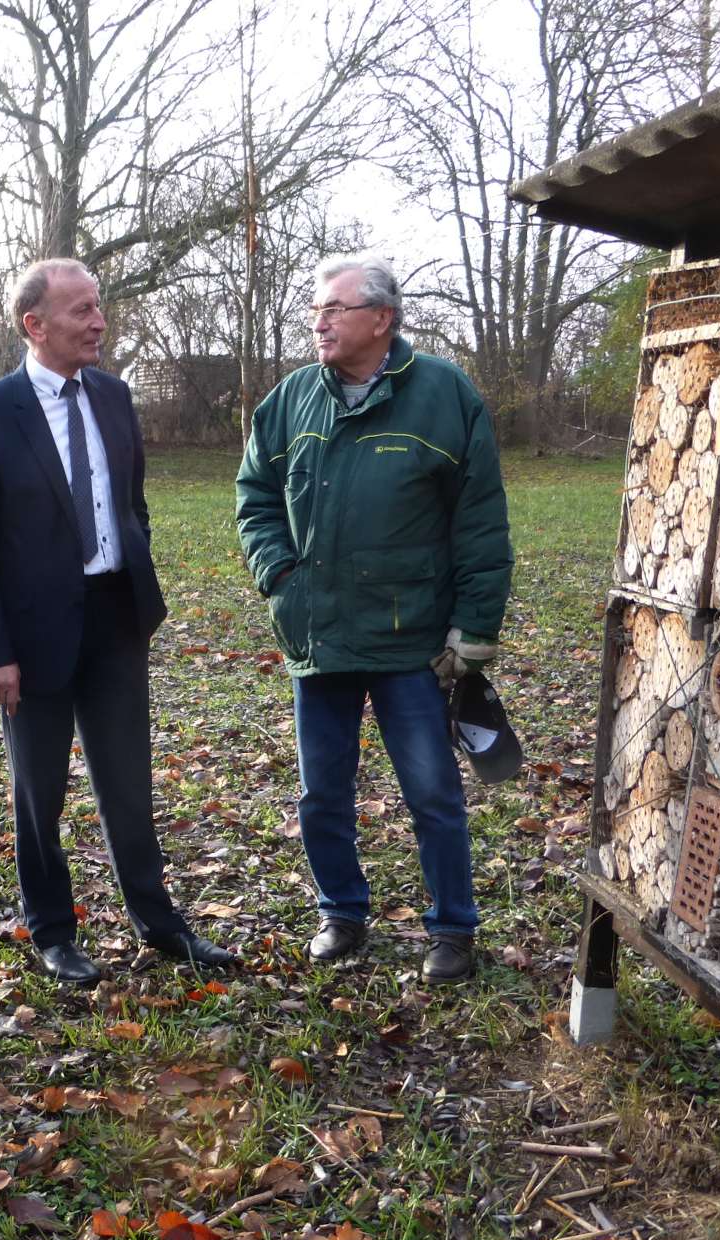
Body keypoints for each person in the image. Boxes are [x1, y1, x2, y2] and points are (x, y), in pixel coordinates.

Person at [0, 258, 234, 985]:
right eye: (81, 310)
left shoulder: (114, 396)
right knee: (37, 791)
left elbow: (129, 501)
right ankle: (52, 930)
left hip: (115, 617)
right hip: (31, 633)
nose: (98, 321)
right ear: (34, 324)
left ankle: (157, 921)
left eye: (99, 307)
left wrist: (135, 577)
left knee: (127, 781)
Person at [234, 254, 513, 980]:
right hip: (319, 633)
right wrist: (279, 576)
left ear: (382, 319)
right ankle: (342, 913)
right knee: (322, 792)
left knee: (431, 791)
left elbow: (479, 522)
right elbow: (255, 495)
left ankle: (452, 928)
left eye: (335, 308)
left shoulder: (445, 395)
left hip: (409, 639)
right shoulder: (292, 399)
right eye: (315, 310)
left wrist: (475, 628)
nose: (319, 320)